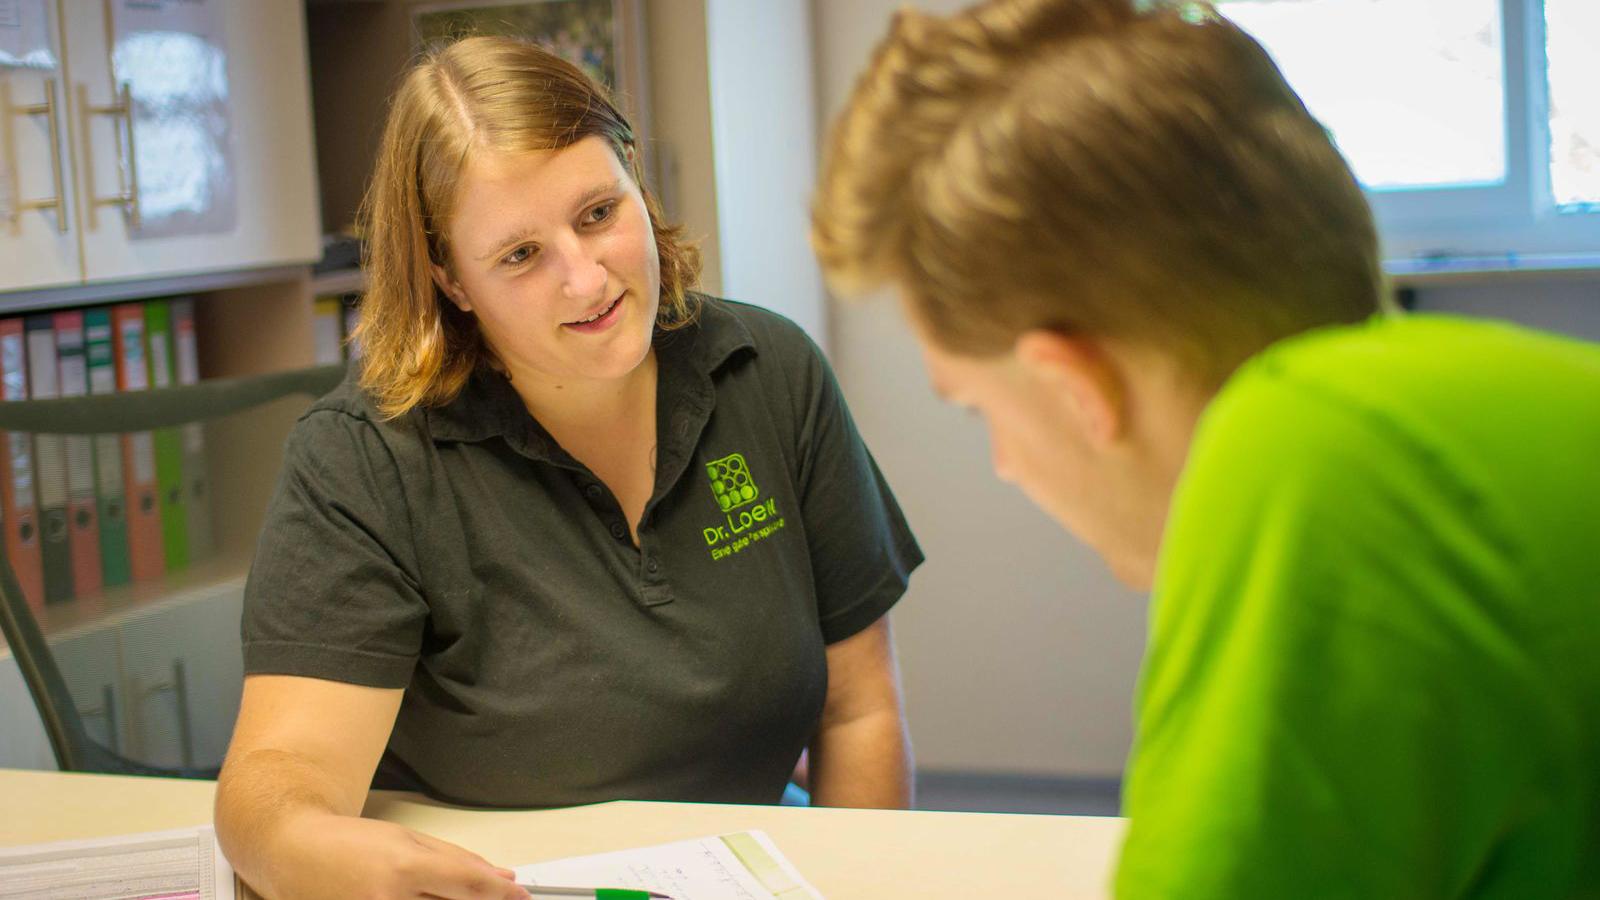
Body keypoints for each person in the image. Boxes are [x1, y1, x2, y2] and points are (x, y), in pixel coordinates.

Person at [812, 0, 1600, 897]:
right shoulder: (1500, 403)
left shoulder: (1308, 471)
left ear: (1073, 385)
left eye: (974, 410)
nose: (1004, 463)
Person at [216, 36, 922, 900]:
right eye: (520, 255)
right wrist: (314, 850)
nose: (587, 281)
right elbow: (276, 782)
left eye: (597, 214)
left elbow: (859, 711)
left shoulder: (770, 372)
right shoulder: (367, 457)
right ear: (452, 280)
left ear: (636, 180)